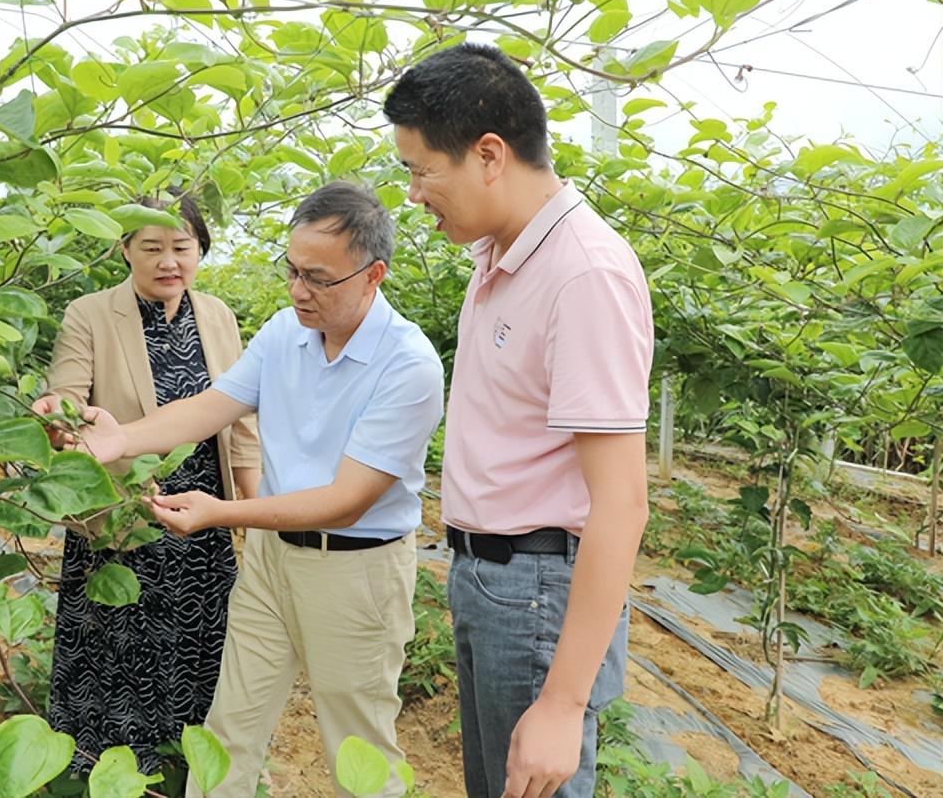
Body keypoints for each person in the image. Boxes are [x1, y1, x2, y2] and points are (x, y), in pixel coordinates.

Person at [70, 182, 444, 798]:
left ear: (373, 274)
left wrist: (223, 512)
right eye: (292, 270)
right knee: (229, 731)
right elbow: (213, 405)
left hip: (355, 573)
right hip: (272, 562)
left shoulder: (408, 365)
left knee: (358, 747)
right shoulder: (284, 332)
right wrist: (122, 441)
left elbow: (347, 500)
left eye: (318, 278)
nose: (299, 290)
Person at [383, 42, 653, 798]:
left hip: (535, 592)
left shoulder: (583, 274)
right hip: (492, 580)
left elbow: (622, 503)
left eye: (420, 169)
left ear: (489, 155)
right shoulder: (501, 254)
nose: (412, 193)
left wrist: (563, 704)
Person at [31, 193, 261, 775]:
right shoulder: (90, 314)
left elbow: (241, 422)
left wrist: (252, 510)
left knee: (197, 653)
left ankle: (185, 771)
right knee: (115, 654)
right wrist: (60, 413)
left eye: (181, 248)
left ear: (200, 251)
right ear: (124, 248)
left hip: (203, 522)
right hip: (121, 521)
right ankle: (102, 772)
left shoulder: (218, 317)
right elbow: (68, 388)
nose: (168, 262)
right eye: (151, 247)